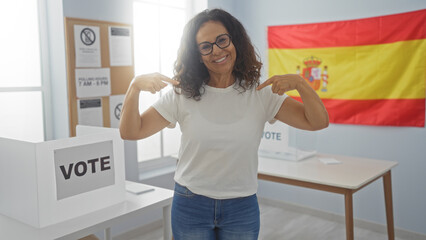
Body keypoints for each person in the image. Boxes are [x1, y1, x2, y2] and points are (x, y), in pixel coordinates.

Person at [120, 8, 329, 240]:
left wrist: (301, 84)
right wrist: (134, 87)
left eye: (222, 40)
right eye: (206, 46)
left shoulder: (260, 94)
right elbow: (131, 131)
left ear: (235, 41)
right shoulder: (182, 95)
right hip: (191, 203)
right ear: (197, 55)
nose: (217, 51)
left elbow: (317, 122)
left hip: (242, 206)